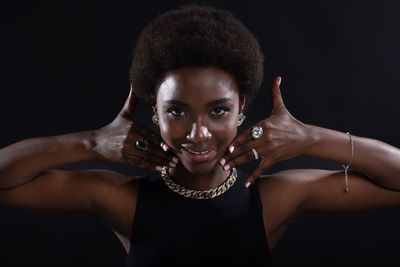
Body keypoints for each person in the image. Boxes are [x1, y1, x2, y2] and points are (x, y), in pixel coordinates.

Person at [1, 4, 400, 266]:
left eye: (219, 110)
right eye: (176, 110)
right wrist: (91, 142)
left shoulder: (274, 199)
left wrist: (311, 138)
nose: (198, 132)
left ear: (241, 107)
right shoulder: (123, 201)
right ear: (154, 112)